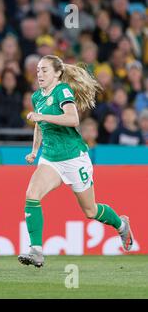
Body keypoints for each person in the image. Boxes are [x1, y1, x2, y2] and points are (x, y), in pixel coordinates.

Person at [19, 55, 134, 268]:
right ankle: (36, 250)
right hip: (50, 159)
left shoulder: (62, 91)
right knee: (31, 195)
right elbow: (39, 125)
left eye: (45, 70)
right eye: (38, 70)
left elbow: (73, 119)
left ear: (57, 73)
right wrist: (35, 151)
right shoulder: (37, 97)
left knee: (90, 211)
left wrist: (41, 117)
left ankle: (121, 224)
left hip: (74, 158)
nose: (40, 74)